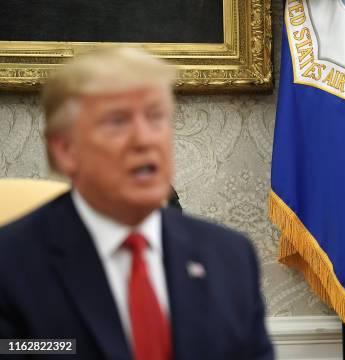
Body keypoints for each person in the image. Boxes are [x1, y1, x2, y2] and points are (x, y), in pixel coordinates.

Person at [0, 47, 273, 360]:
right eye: (117, 122)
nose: (144, 140)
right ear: (65, 150)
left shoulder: (229, 257)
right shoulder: (10, 266)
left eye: (156, 117)